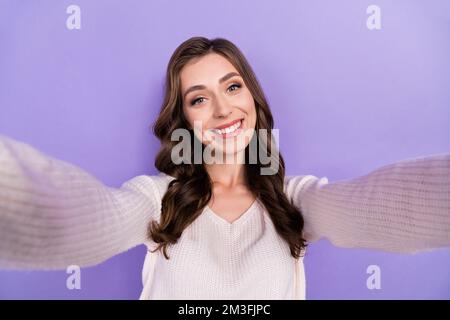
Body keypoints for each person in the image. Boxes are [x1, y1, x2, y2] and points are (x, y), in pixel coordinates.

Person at [0, 37, 449, 300]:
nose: (222, 108)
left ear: (252, 98)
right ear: (184, 122)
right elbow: (84, 220)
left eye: (232, 86)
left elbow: (379, 207)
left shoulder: (297, 203)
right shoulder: (156, 200)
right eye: (198, 98)